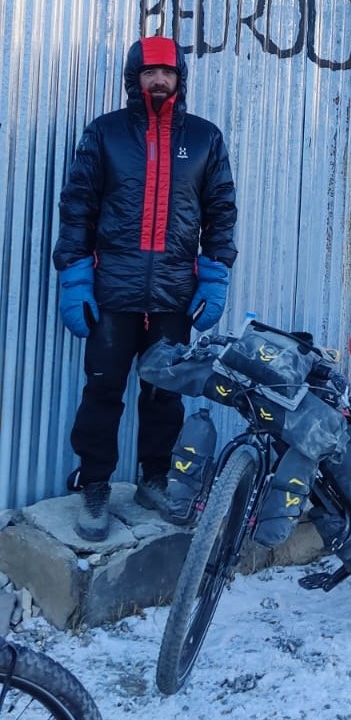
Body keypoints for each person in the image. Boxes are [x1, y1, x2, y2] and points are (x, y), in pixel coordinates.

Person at [53, 36, 237, 542]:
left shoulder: (203, 139)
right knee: (103, 390)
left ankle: (154, 479)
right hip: (113, 292)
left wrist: (215, 274)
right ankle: (94, 485)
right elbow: (77, 211)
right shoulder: (106, 134)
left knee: (164, 394)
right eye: (149, 72)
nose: (159, 81)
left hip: (175, 295)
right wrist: (74, 277)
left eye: (168, 73)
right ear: (134, 78)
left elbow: (221, 214)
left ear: (180, 78)